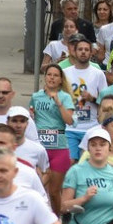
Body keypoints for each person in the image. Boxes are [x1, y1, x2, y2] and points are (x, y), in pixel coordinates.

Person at [29, 65, 76, 212]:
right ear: (45, 77)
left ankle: (56, 220)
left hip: (59, 147)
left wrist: (59, 104)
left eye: (56, 75)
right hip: (40, 147)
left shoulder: (65, 97)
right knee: (38, 187)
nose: (52, 78)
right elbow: (30, 119)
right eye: (49, 74)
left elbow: (69, 121)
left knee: (55, 192)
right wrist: (31, 116)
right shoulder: (36, 97)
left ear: (61, 80)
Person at [0, 78, 40, 143]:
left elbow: (35, 145)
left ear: (12, 94)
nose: (0, 95)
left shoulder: (23, 118)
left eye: (5, 93)